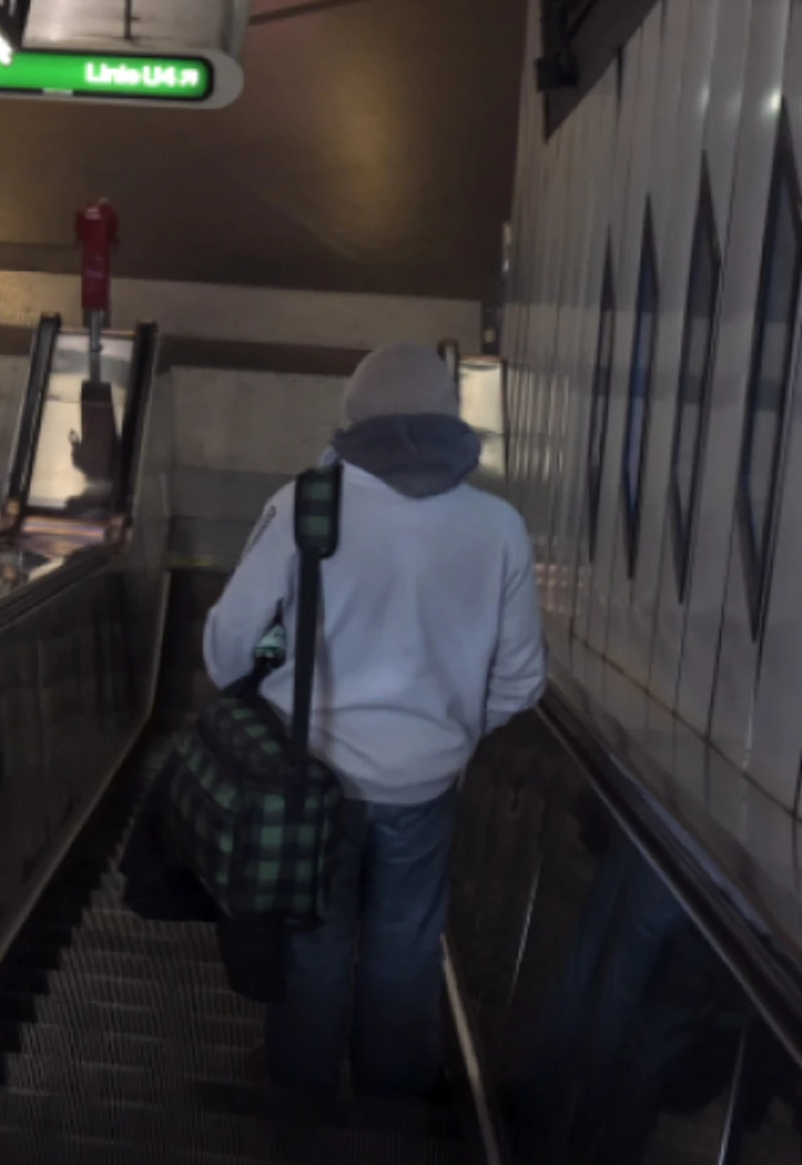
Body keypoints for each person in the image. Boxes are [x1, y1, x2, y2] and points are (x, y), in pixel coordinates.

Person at [202, 341, 544, 1099]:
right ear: (450, 417)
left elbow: (228, 643)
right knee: (408, 941)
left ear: (353, 417)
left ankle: (304, 1087)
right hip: (425, 785)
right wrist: (450, 731)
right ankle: (393, 1093)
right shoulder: (498, 526)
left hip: (311, 771)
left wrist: (264, 714)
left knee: (316, 939)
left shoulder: (307, 502)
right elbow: (522, 678)